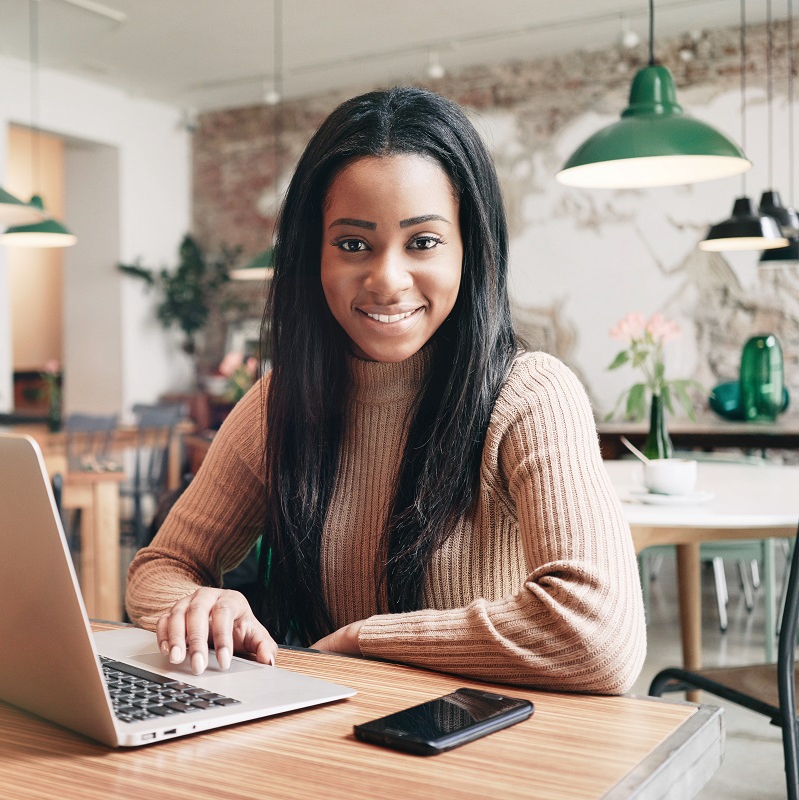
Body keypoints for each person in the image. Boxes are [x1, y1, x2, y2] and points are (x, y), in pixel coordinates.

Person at [124, 86, 646, 695]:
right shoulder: (280, 405)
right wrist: (200, 605)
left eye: (422, 242)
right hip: (337, 741)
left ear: (469, 251)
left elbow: (601, 635)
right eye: (352, 244)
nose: (387, 279)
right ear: (312, 256)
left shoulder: (531, 396)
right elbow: (160, 568)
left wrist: (368, 638)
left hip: (492, 751)